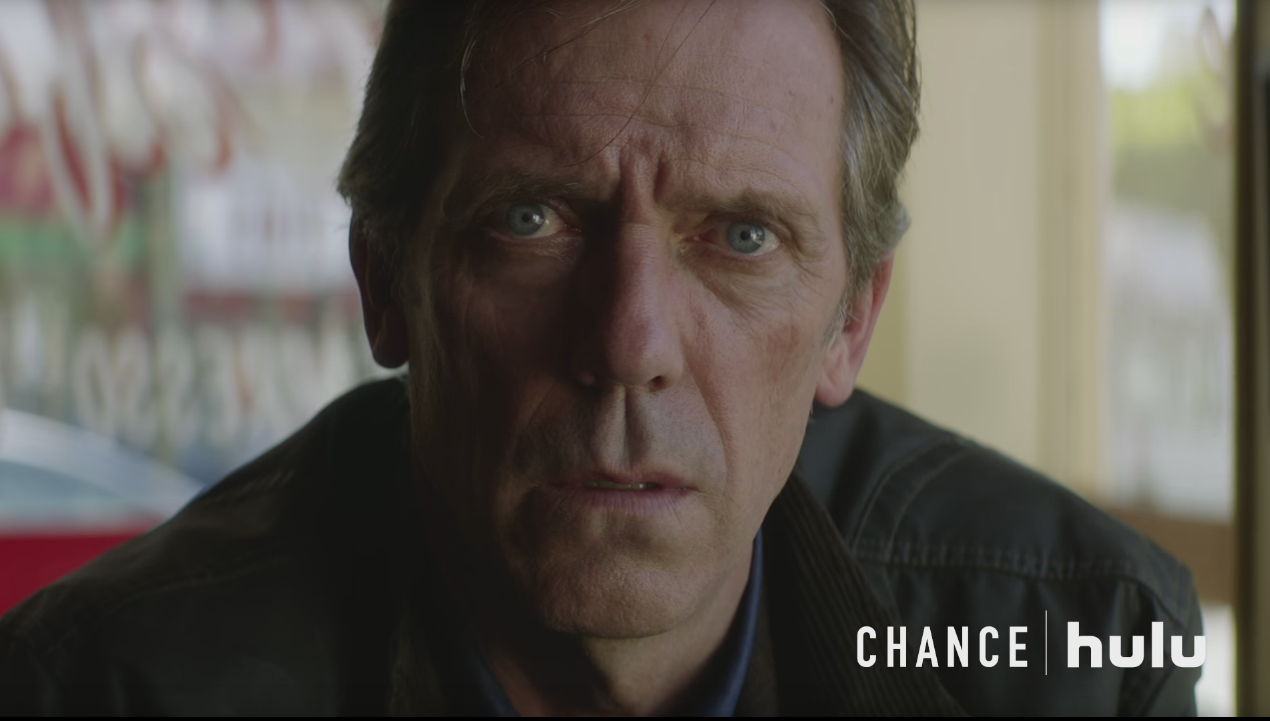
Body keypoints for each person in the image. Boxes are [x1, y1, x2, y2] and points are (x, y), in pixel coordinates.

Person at [0, 0, 1202, 715]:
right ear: (387, 283)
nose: (629, 344)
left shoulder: (1074, 647)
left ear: (850, 320)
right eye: (531, 220)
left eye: (741, 237)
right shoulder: (109, 687)